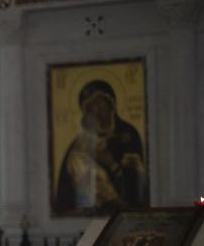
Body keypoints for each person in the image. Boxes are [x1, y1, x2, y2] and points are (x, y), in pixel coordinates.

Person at [53, 79, 147, 215]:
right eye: (91, 106)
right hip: (91, 207)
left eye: (100, 103)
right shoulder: (80, 143)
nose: (97, 110)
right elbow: (66, 192)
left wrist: (112, 164)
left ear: (111, 104)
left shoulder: (128, 134)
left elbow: (138, 184)